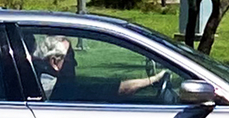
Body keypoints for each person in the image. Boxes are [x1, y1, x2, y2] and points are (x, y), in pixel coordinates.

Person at [26, 33, 173, 104]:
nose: (75, 64)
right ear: (54, 62)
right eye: (71, 58)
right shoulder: (62, 89)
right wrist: (154, 79)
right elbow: (119, 89)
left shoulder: (40, 82)